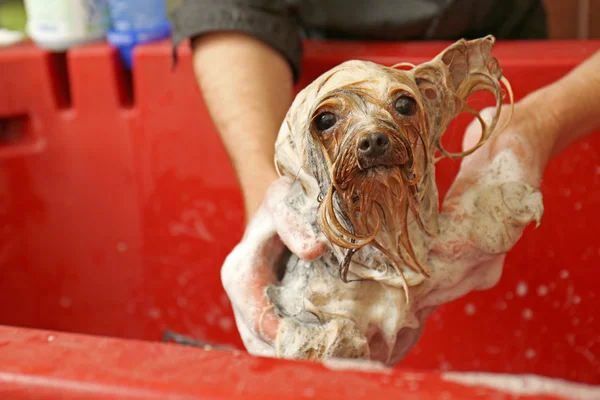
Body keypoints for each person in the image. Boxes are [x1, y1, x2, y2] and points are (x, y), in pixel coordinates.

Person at [166, 0, 600, 354]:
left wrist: (541, 121)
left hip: (499, 28)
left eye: (405, 107)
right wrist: (262, 182)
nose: (372, 137)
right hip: (293, 46)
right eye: (328, 122)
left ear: (435, 104)